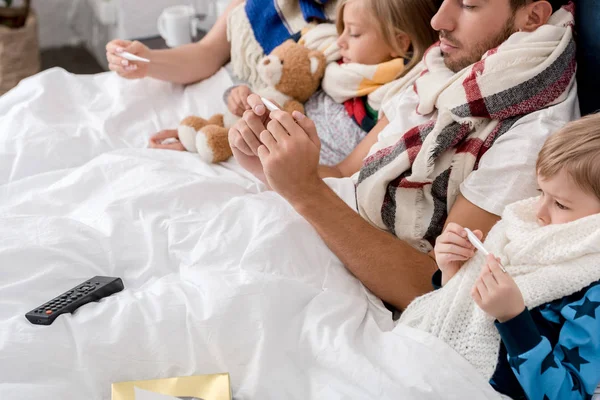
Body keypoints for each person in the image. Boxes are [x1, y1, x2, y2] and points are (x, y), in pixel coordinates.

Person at [228, 0, 579, 311]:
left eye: (468, 5)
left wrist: (304, 191)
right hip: (338, 236)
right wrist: (267, 159)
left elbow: (436, 282)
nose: (438, 20)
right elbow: (343, 172)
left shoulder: (533, 134)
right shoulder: (442, 70)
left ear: (533, 16)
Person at [401, 114, 600, 399]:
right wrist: (453, 272)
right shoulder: (519, 230)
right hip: (431, 361)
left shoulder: (593, 289)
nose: (539, 212)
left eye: (560, 204)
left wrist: (513, 318)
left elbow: (567, 394)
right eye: (540, 192)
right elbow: (465, 316)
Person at [145, 0, 440, 163]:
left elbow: (344, 171)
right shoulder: (332, 60)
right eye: (342, 29)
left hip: (288, 165)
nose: (341, 40)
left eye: (353, 33)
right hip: (262, 144)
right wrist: (238, 96)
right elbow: (279, 87)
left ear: (400, 43)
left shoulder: (396, 97)